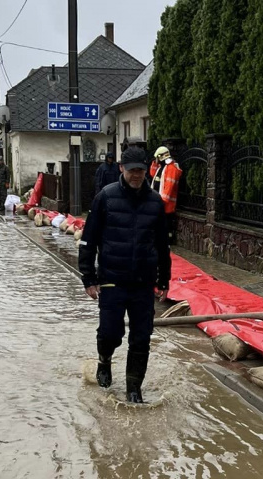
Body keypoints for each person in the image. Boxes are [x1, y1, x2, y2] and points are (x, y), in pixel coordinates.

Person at [78, 146, 171, 404]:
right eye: (131, 171)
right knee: (110, 333)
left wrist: (164, 279)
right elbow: (88, 240)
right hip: (111, 279)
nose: (136, 175)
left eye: (141, 171)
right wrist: (88, 278)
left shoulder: (155, 203)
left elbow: (163, 245)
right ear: (122, 168)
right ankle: (104, 360)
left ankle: (133, 390)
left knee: (141, 338)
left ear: (146, 170)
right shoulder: (105, 198)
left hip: (143, 283)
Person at [150, 146, 182, 243]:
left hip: (167, 203)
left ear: (161, 157)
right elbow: (152, 173)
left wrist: (163, 201)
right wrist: (154, 163)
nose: (157, 160)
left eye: (157, 158)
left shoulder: (171, 168)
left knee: (166, 223)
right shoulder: (162, 167)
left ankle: (168, 239)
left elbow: (169, 186)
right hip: (160, 200)